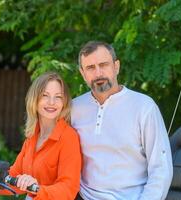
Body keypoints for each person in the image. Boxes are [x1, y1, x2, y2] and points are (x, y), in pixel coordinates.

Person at [71, 41, 173, 200]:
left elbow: (161, 169)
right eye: (90, 68)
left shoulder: (144, 107)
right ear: (82, 73)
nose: (98, 73)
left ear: (116, 66)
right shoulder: (73, 108)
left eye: (103, 65)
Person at [0, 71, 82, 200]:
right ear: (35, 99)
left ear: (64, 102)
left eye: (58, 97)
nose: (52, 102)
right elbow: (13, 177)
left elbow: (68, 189)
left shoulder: (68, 137)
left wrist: (36, 188)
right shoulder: (32, 136)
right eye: (45, 95)